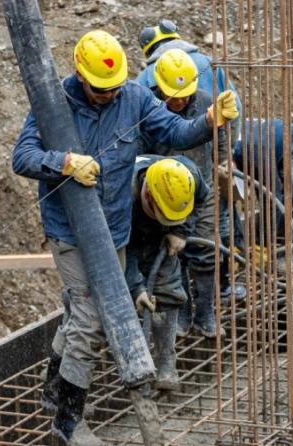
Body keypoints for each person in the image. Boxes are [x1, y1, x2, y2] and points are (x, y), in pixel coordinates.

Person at [12, 30, 238, 445]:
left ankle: (52, 391)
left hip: (114, 229)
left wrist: (210, 122)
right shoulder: (53, 104)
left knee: (82, 315)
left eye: (115, 88)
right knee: (91, 319)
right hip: (70, 232)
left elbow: (174, 132)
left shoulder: (132, 97)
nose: (109, 95)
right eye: (101, 89)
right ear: (81, 76)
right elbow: (21, 157)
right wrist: (61, 162)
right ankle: (66, 424)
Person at [141, 48, 244, 339]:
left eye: (184, 94)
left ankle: (206, 315)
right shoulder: (146, 106)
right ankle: (184, 316)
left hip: (204, 187)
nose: (180, 100)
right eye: (173, 95)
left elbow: (222, 136)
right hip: (165, 191)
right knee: (175, 252)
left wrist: (223, 162)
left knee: (207, 251)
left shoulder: (206, 102)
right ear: (159, 86)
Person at [125, 155, 209, 390]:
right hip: (123, 240)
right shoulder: (120, 197)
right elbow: (119, 250)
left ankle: (166, 363)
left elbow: (202, 200)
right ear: (148, 195)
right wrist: (136, 287)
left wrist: (180, 230)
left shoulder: (189, 178)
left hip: (160, 238)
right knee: (100, 306)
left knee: (168, 291)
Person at [136, 19, 242, 144]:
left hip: (166, 160)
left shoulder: (146, 76)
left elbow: (136, 128)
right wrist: (229, 150)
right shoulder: (209, 63)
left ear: (149, 52)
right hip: (208, 154)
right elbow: (234, 108)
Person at [228, 117, 293, 272]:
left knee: (291, 194)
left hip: (291, 142)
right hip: (267, 144)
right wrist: (234, 246)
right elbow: (227, 201)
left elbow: (272, 200)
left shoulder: (255, 154)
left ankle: (288, 252)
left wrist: (261, 246)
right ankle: (238, 246)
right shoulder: (219, 146)